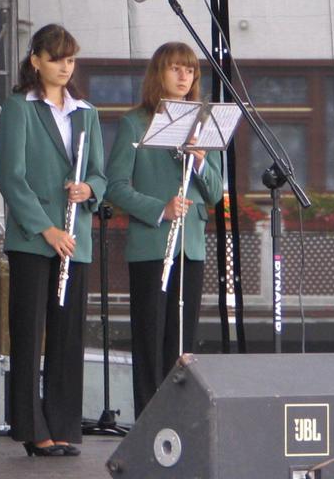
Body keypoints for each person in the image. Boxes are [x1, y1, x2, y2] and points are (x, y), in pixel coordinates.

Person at [0, 24, 106, 457]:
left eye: (70, 59)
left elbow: (99, 172)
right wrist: (47, 228)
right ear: (36, 61)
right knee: (29, 333)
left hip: (75, 237)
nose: (64, 67)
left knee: (67, 335)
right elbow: (12, 176)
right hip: (34, 238)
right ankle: (31, 427)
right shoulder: (19, 107)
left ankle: (62, 425)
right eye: (56, 58)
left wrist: (89, 189)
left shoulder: (86, 112)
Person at [104, 41, 223, 417]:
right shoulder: (135, 122)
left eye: (190, 70)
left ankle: (180, 416)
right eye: (175, 68)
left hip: (191, 245)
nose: (184, 76)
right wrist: (160, 209)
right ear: (159, 73)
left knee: (182, 340)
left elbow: (215, 193)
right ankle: (149, 418)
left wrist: (200, 162)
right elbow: (115, 186)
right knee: (150, 335)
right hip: (152, 243)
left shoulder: (204, 123)